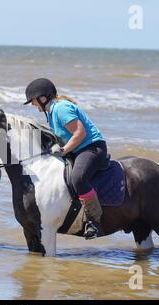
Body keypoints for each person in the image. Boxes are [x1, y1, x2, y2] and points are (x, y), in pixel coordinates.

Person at [24, 78, 107, 239]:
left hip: (92, 148)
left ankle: (94, 221)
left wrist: (63, 150)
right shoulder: (51, 111)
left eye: (33, 101)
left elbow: (80, 133)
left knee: (78, 178)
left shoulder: (61, 108)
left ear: (42, 98)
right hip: (79, 149)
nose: (33, 105)